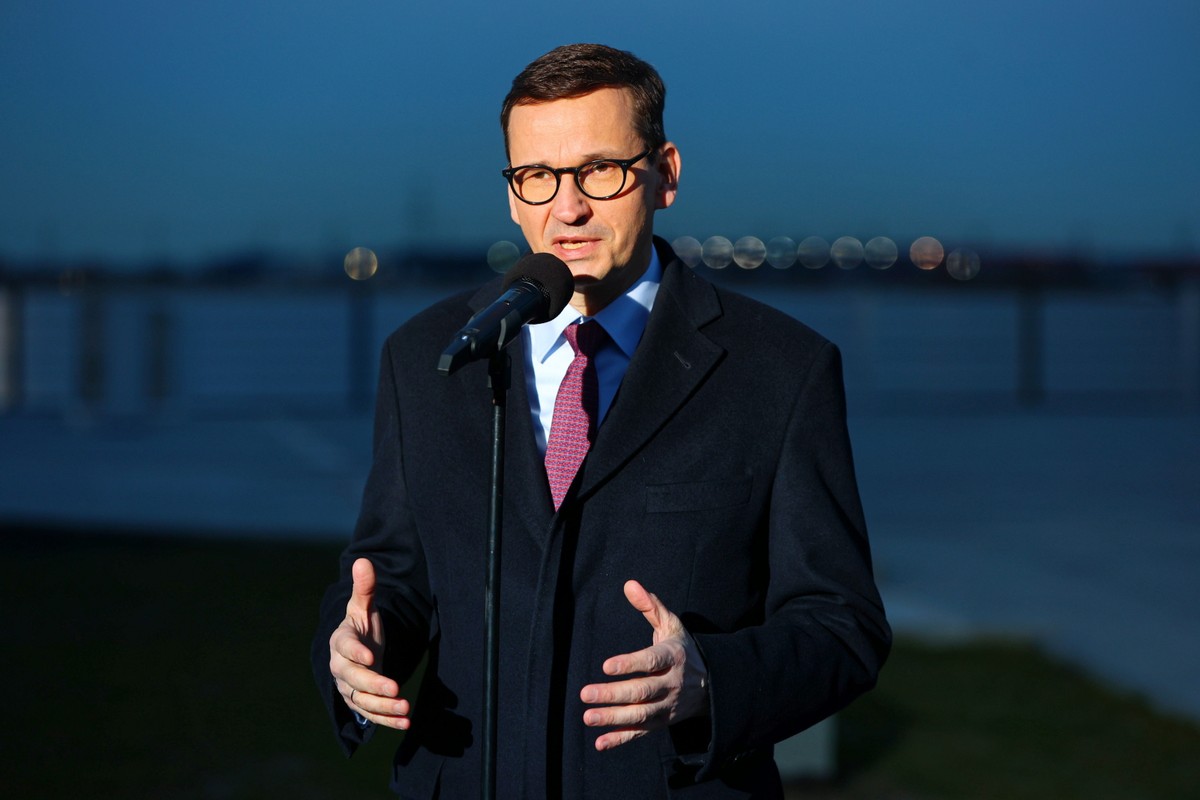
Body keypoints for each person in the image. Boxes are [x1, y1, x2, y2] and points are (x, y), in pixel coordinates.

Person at [313, 43, 890, 799]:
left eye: (600, 170)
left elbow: (841, 625)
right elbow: (390, 574)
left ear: (665, 174)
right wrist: (360, 646)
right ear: (511, 193)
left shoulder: (781, 369)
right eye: (537, 176)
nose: (568, 208)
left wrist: (709, 681)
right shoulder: (429, 356)